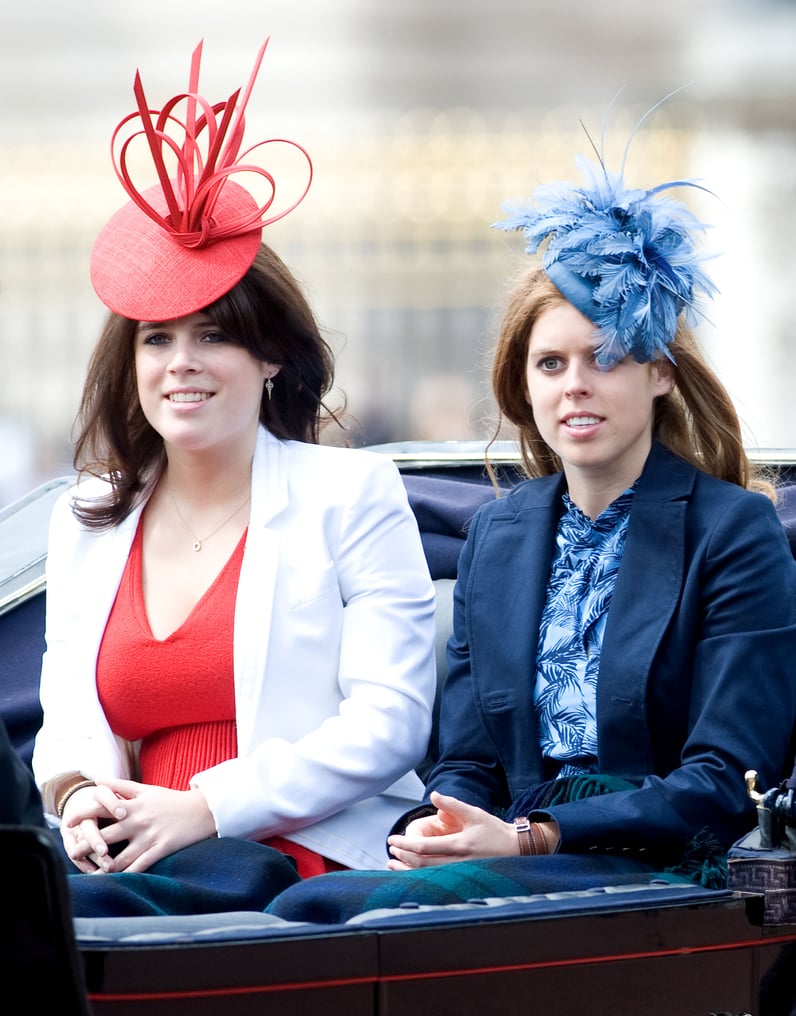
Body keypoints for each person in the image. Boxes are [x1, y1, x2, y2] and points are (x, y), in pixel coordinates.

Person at [267, 102, 796, 922]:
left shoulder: (733, 531)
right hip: (515, 857)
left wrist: (537, 837)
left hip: (663, 867)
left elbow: (727, 780)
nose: (573, 384)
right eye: (549, 362)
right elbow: (468, 758)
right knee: (314, 904)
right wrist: (446, 821)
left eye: (606, 357)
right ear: (524, 384)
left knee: (336, 916)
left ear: (660, 373)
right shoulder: (500, 535)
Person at [31, 41, 436, 916]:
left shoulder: (351, 497)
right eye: (158, 338)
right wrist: (81, 798)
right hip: (130, 867)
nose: (183, 363)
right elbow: (66, 715)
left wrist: (208, 807)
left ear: (271, 359)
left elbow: (389, 722)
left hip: (305, 859)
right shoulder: (86, 518)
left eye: (214, 335)